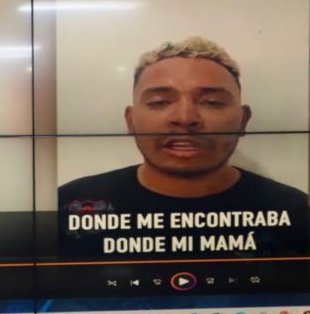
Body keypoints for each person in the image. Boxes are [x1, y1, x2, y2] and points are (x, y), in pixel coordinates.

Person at [58, 36, 309, 259]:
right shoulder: (65, 204)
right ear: (130, 120)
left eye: (212, 102)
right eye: (159, 102)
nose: (186, 118)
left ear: (243, 120)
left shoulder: (296, 212)